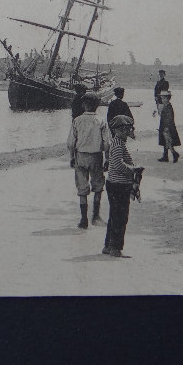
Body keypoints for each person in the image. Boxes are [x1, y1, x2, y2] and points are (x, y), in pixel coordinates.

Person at [67, 93, 110, 229]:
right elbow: (107, 143)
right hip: (96, 156)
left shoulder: (77, 120)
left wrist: (72, 157)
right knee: (98, 187)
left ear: (84, 105)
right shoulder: (101, 120)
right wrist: (107, 158)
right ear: (96, 106)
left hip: (81, 156)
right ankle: (95, 216)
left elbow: (70, 142)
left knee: (82, 188)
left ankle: (83, 219)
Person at [102, 114, 139, 257]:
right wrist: (132, 170)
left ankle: (108, 246)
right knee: (121, 217)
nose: (130, 132)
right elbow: (117, 164)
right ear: (121, 130)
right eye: (128, 129)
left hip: (115, 184)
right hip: (119, 185)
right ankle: (115, 248)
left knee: (114, 215)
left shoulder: (117, 142)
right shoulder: (118, 144)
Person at [156, 91, 181, 163]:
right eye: (162, 98)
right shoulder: (166, 106)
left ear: (168, 99)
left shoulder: (169, 107)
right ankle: (166, 156)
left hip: (167, 127)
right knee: (166, 141)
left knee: (168, 141)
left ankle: (174, 154)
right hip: (165, 126)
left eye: (164, 98)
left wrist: (167, 127)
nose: (163, 100)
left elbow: (169, 118)